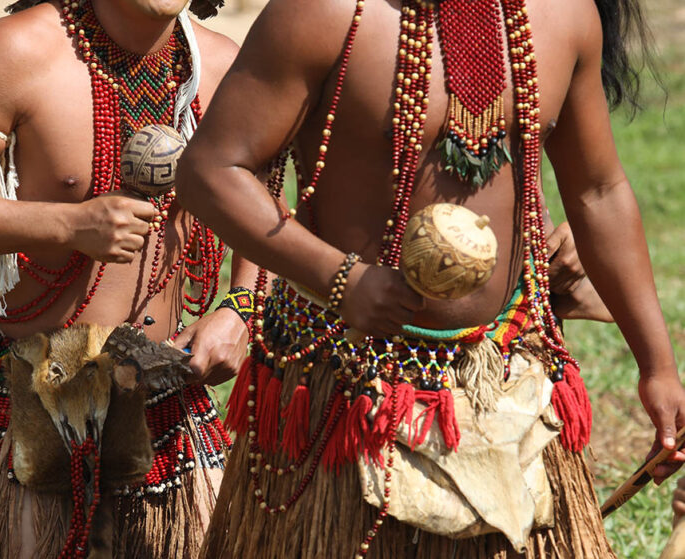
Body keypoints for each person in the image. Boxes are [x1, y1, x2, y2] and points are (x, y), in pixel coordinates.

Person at [175, 0, 683, 556]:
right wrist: (338, 278)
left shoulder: (562, 14)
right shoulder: (323, 13)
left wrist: (656, 366)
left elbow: (599, 191)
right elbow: (211, 169)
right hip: (343, 383)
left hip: (507, 371)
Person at [0, 0, 253, 557]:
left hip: (164, 400)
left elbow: (267, 198)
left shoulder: (222, 67)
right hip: (15, 404)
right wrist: (69, 224)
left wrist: (240, 308)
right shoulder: (11, 51)